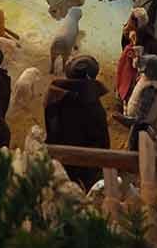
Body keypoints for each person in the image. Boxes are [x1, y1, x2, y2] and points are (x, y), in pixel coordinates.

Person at [44, 55, 111, 190]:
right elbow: (102, 141)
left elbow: (51, 128)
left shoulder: (55, 95)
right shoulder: (93, 107)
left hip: (59, 157)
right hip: (86, 164)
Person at [118, 55, 157, 150]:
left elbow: (143, 112)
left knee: (135, 139)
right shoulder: (155, 77)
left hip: (141, 121)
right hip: (142, 119)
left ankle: (132, 153)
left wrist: (130, 120)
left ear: (150, 71)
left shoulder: (151, 88)